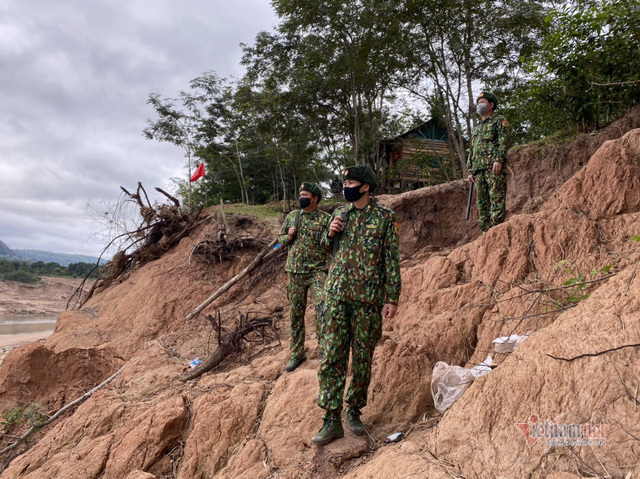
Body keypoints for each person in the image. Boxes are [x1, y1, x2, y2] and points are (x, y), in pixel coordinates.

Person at [311, 165, 401, 446]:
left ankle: (353, 411)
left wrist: (391, 297)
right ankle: (331, 419)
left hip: (367, 301)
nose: (346, 185)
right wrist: (329, 234)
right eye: (346, 181)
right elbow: (322, 252)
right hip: (336, 297)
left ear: (365, 187)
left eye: (351, 181)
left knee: (362, 360)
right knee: (332, 358)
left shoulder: (385, 218)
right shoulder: (339, 214)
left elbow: (391, 260)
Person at [277, 182, 331, 372]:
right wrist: (288, 236)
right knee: (296, 314)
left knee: (323, 309)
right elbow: (280, 240)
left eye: (305, 194)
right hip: (295, 272)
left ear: (314, 198)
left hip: (317, 271)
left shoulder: (325, 219)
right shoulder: (293, 216)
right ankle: (297, 354)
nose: (301, 197)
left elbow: (329, 245)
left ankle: (325, 351)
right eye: (300, 194)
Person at [467, 91, 511, 232]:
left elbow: (504, 142)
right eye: (478, 102)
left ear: (491, 105)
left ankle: (496, 232)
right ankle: (486, 234)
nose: (479, 105)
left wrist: (498, 160)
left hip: (493, 168)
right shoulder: (477, 128)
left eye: (482, 102)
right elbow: (472, 150)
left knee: (496, 200)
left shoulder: (499, 120)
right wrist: (471, 170)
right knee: (482, 204)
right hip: (478, 171)